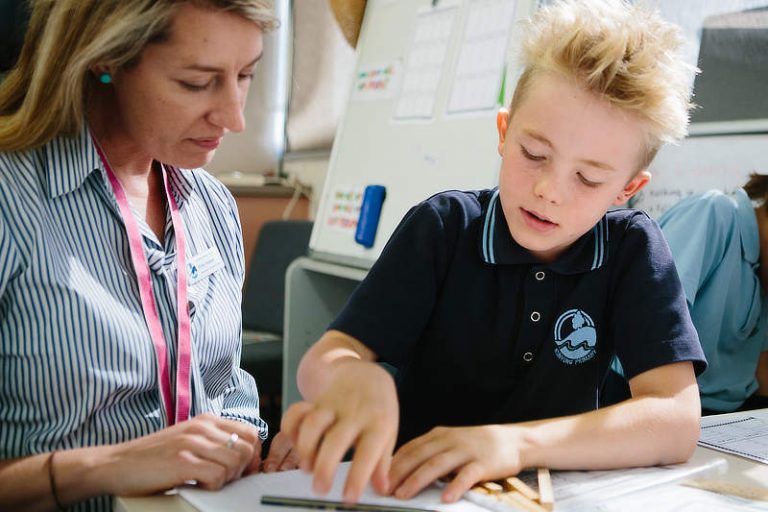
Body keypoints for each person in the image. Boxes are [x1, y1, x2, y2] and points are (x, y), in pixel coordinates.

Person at [282, 0, 707, 505]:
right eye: (534, 154)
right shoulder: (442, 227)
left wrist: (512, 444)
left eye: (588, 179)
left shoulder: (633, 248)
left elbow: (675, 420)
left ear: (626, 189)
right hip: (417, 492)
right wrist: (354, 376)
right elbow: (324, 359)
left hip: (546, 492)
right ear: (504, 135)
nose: (550, 189)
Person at [0, 1, 296, 510]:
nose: (235, 117)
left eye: (245, 75)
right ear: (105, 59)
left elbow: (225, 386)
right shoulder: (13, 198)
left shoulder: (210, 203)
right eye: (196, 83)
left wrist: (250, 450)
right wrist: (106, 467)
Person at [657, 175, 768, 414]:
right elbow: (654, 320)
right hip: (665, 403)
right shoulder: (714, 212)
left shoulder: (762, 271)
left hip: (731, 415)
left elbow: (762, 371)